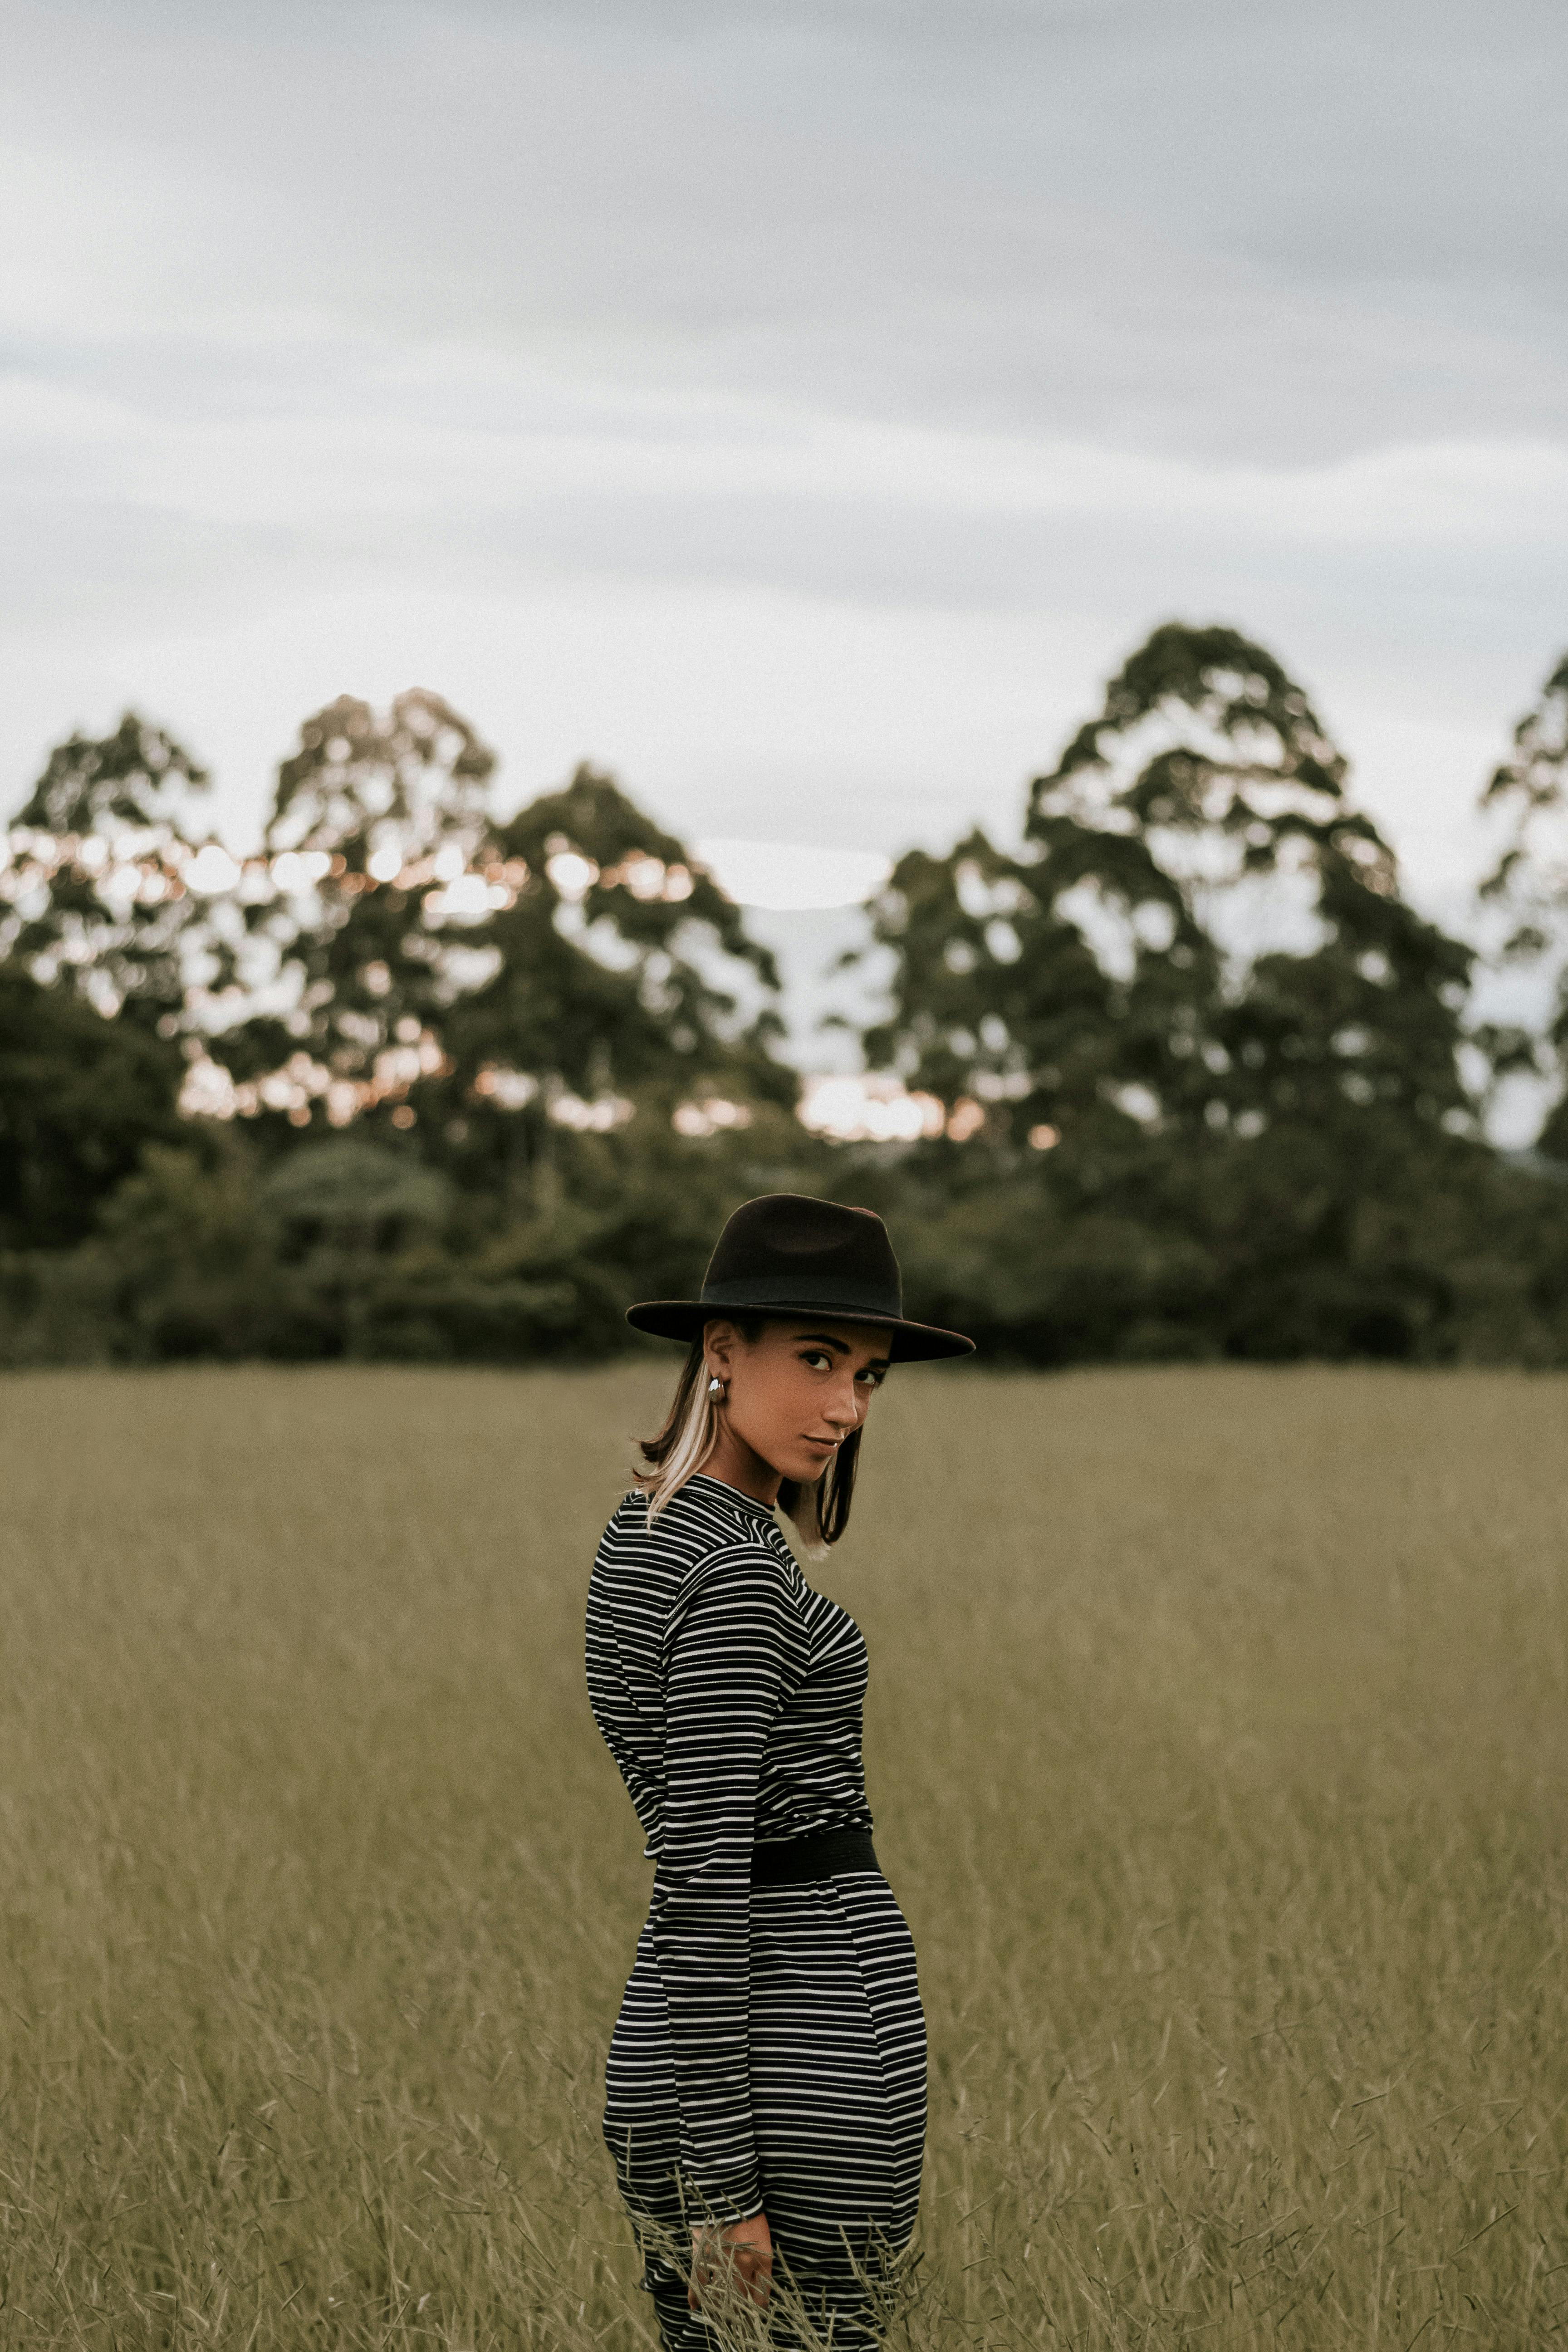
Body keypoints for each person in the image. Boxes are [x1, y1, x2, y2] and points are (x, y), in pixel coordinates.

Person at [586, 1193, 974, 2348]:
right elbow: (705, 1883)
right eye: (816, 1359)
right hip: (794, 2056)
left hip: (687, 2049)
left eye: (868, 1374)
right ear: (721, 1352)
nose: (846, 1406)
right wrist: (728, 2193)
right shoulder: (743, 1576)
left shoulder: (643, 1532)